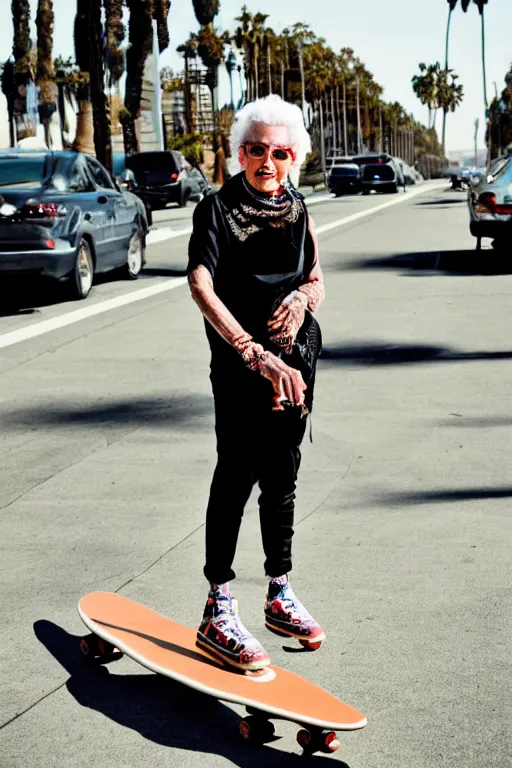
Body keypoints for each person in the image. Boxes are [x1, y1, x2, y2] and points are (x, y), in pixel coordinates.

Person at [187, 95, 326, 671]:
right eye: (253, 148)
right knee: (236, 475)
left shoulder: (297, 208)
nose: (265, 160)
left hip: (297, 362)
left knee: (283, 474)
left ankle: (279, 591)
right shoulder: (216, 209)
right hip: (244, 367)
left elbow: (317, 278)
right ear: (238, 151)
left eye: (278, 151)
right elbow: (200, 284)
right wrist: (250, 350)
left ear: (294, 155)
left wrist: (301, 298)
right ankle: (217, 605)